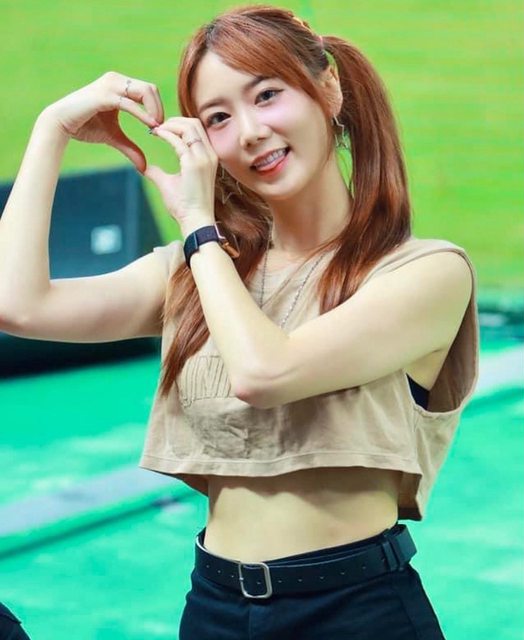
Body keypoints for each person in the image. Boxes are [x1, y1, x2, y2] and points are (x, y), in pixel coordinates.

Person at [0, 5, 479, 639]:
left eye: (268, 95)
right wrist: (52, 128)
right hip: (215, 608)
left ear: (329, 88)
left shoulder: (427, 272)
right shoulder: (198, 270)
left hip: (355, 611)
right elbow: (18, 304)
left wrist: (199, 227)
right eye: (219, 118)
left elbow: (265, 372)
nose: (250, 132)